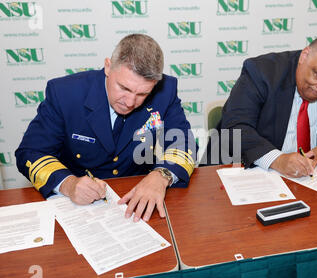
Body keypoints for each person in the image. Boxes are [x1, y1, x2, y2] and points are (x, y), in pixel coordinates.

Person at [15, 34, 197, 222]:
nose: (130, 102)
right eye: (124, 88)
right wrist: (68, 184)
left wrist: (161, 176)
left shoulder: (165, 92)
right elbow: (30, 152)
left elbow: (184, 143)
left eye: (142, 93)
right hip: (78, 206)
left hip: (137, 202)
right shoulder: (65, 93)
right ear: (108, 67)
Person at [220, 33, 317, 177]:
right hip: (254, 174)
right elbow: (234, 128)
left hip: (313, 178)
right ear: (304, 56)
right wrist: (276, 160)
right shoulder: (262, 72)